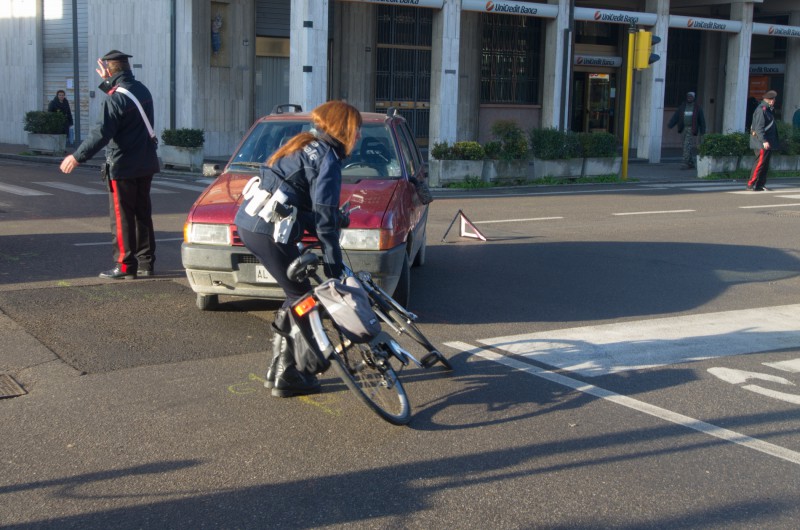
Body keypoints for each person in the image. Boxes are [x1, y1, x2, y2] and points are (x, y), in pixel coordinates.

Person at [234, 100, 362, 398]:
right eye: (357, 132)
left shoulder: (303, 144)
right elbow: (325, 225)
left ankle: (278, 369)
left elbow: (293, 200)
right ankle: (289, 374)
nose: (358, 138)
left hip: (250, 224)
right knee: (304, 300)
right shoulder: (327, 159)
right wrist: (334, 269)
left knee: (296, 297)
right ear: (344, 130)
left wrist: (330, 217)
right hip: (270, 232)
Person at [59, 50, 160, 279]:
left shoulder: (113, 99)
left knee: (122, 217)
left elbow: (102, 133)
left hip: (123, 165)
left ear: (109, 70)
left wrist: (77, 157)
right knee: (142, 214)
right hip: (146, 162)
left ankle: (124, 266)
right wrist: (108, 82)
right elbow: (123, 101)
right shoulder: (142, 90)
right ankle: (146, 263)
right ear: (127, 68)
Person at [747, 90, 780, 191]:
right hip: (761, 142)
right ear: (768, 100)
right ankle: (751, 183)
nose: (774, 100)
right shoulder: (762, 109)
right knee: (760, 164)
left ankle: (760, 184)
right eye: (772, 99)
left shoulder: (767, 109)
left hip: (767, 142)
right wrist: (764, 141)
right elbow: (759, 128)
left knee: (764, 165)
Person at [668, 91, 706, 170]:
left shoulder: (697, 108)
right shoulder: (682, 106)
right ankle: (691, 162)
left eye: (691, 96)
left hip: (691, 129)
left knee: (686, 145)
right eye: (688, 96)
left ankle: (685, 162)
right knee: (685, 145)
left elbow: (702, 120)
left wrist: (703, 131)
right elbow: (676, 116)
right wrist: (670, 125)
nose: (689, 98)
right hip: (683, 129)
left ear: (694, 98)